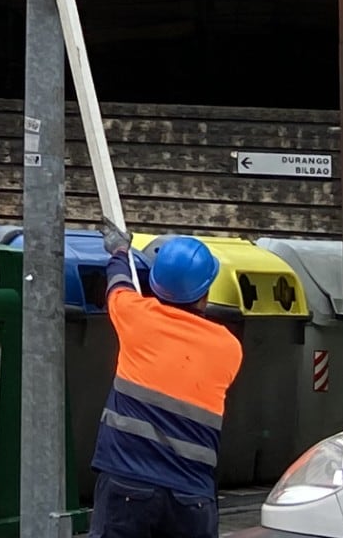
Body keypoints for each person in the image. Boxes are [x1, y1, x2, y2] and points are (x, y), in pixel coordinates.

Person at [90, 230, 244, 538]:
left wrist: (120, 250)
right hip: (190, 497)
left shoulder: (136, 316)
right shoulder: (228, 348)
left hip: (127, 483)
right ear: (204, 293)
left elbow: (118, 283)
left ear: (156, 284)